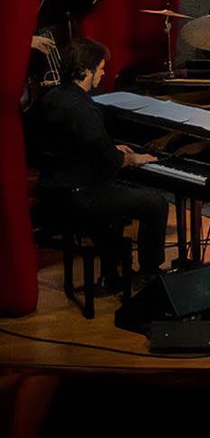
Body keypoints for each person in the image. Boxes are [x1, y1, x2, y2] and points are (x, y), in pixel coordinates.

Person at [30, 39, 167, 283]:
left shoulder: (49, 99)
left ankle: (110, 272)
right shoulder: (84, 109)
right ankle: (150, 273)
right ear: (86, 70)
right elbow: (112, 161)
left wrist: (109, 148)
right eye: (100, 68)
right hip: (79, 196)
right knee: (155, 203)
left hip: (51, 190)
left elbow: (69, 144)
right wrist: (136, 158)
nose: (103, 73)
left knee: (116, 195)